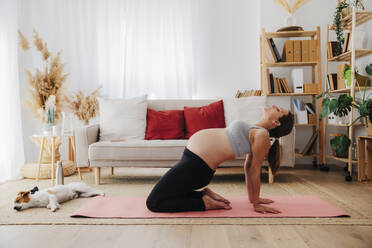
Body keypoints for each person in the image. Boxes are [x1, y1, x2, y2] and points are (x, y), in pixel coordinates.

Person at [146, 105, 294, 214]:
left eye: (279, 110)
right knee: (166, 195)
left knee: (154, 203)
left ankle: (205, 203)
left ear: (276, 122)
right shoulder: (255, 128)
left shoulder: (262, 136)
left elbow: (253, 169)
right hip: (191, 160)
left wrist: (256, 203)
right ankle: (204, 194)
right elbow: (247, 168)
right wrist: (253, 199)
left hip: (198, 166)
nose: (275, 106)